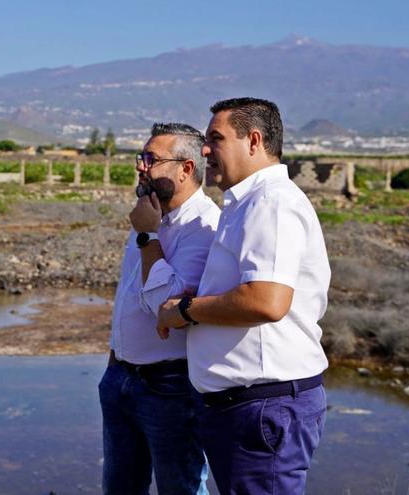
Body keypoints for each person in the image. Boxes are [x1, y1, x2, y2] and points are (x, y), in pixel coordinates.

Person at [156, 98, 330, 494]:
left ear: (253, 141)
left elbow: (265, 301)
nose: (204, 150)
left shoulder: (271, 203)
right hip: (248, 408)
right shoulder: (248, 204)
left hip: (262, 407)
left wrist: (185, 310)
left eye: (215, 139)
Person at [99, 122, 220, 494]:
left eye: (151, 159)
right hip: (121, 377)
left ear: (186, 168)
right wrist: (114, 364)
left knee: (179, 488)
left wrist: (148, 237)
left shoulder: (203, 226)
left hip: (169, 388)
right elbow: (129, 298)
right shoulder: (150, 214)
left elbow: (164, 305)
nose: (141, 166)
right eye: (141, 157)